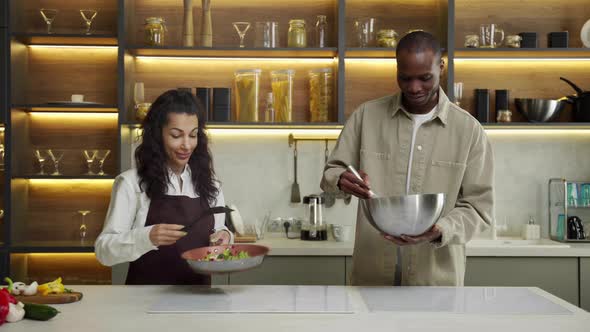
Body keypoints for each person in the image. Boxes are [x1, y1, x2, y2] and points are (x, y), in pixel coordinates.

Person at [321, 31, 494, 286]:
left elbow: (479, 210)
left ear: (441, 67)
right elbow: (331, 174)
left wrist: (441, 229)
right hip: (370, 281)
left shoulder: (469, 131)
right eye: (405, 78)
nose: (414, 88)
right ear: (396, 69)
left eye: (425, 78)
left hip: (436, 287)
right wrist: (339, 181)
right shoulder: (365, 117)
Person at [95, 89, 232, 285]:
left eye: (193, 135)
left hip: (199, 300)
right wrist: (147, 237)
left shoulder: (211, 185)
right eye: (176, 135)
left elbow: (218, 232)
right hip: (144, 302)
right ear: (157, 135)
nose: (187, 145)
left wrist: (225, 236)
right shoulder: (131, 183)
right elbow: (103, 251)